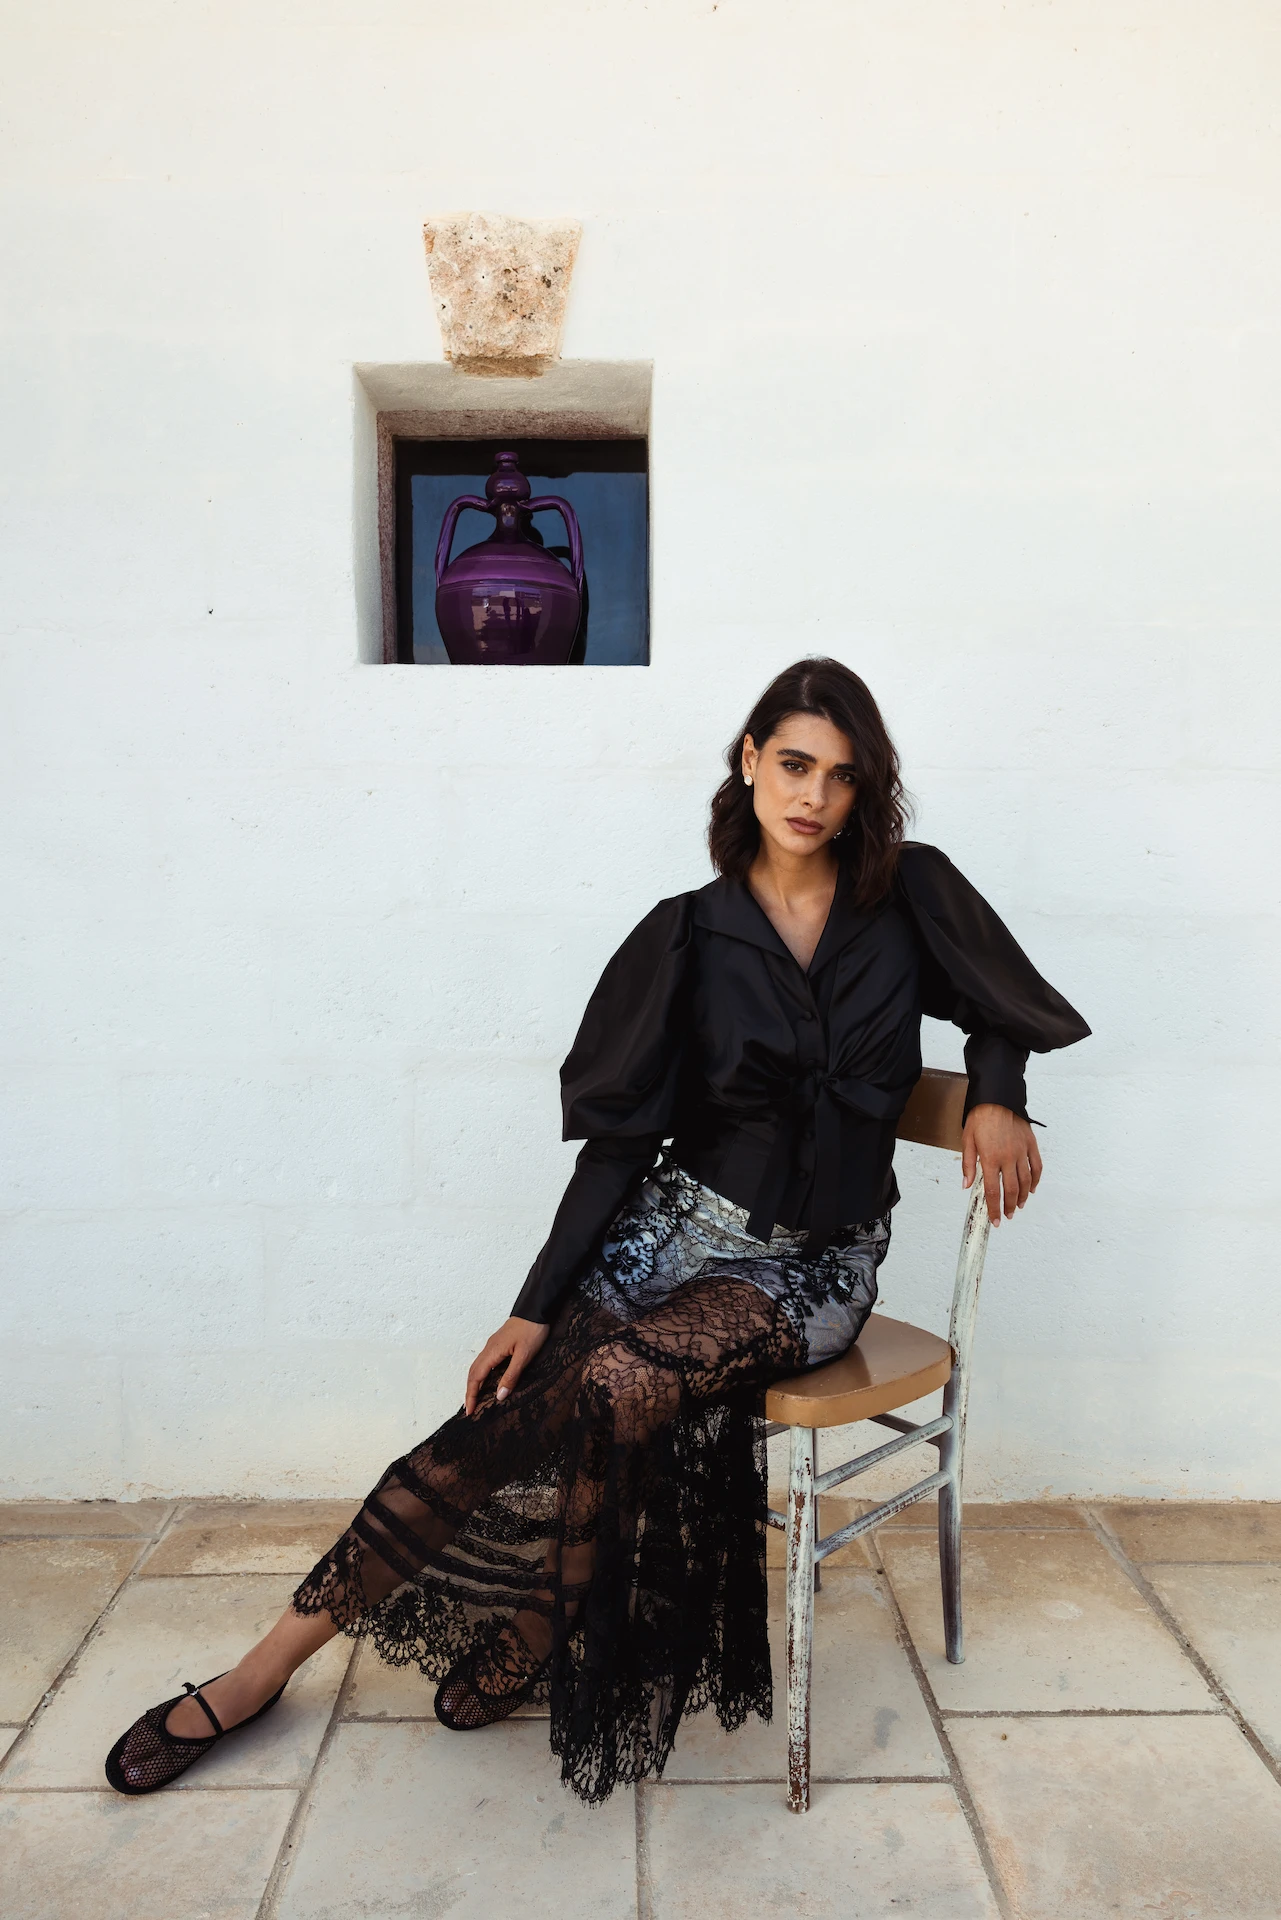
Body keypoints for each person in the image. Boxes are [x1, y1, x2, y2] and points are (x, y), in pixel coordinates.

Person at [105, 657, 1089, 1803]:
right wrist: (533, 1305)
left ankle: (551, 1615)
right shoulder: (684, 936)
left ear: (868, 792)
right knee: (488, 1429)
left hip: (811, 1268)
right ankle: (260, 1670)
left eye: (843, 776)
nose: (814, 794)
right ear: (749, 763)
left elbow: (999, 1005)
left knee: (618, 1391)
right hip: (668, 1234)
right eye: (793, 763)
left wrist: (997, 1091)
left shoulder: (909, 894)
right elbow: (620, 1147)